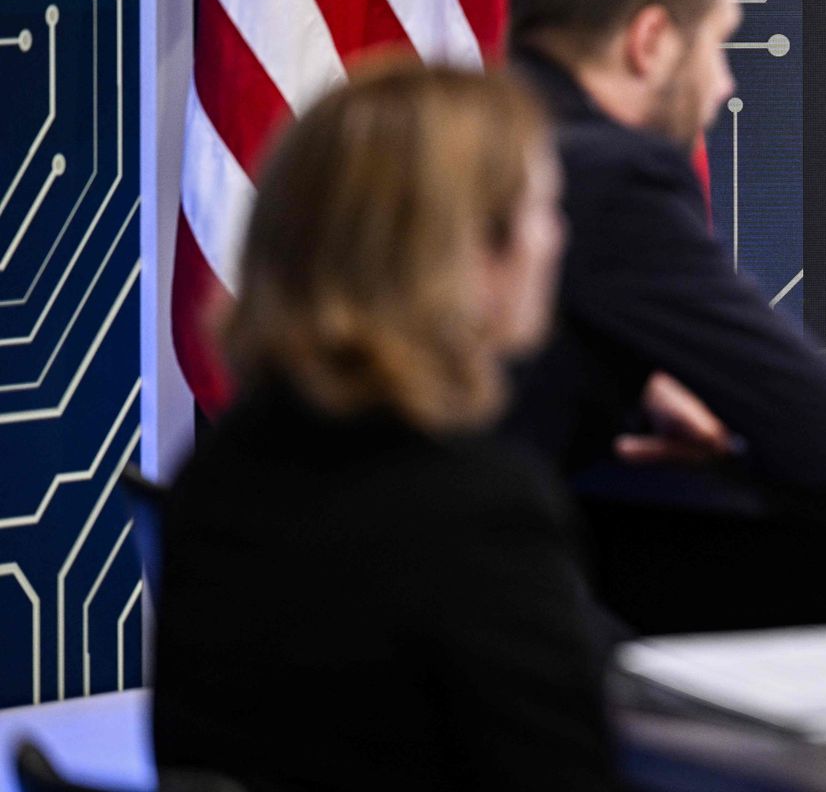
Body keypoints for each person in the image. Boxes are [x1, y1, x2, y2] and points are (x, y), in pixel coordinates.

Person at [154, 65, 615, 791]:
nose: (558, 238)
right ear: (470, 253)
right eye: (544, 209)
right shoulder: (477, 510)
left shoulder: (217, 470)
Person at [501, 0, 826, 488]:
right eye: (716, 43)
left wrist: (639, 388)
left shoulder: (455, 136)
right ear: (651, 41)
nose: (723, 83)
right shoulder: (614, 178)